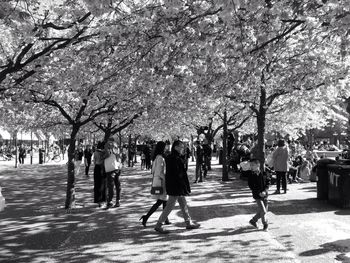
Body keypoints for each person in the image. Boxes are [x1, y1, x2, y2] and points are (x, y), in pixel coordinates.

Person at [154, 140, 200, 234]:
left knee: (183, 204)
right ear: (175, 147)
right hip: (175, 186)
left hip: (176, 185)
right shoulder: (173, 158)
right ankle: (158, 225)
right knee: (170, 206)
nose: (182, 149)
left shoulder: (175, 157)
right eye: (181, 147)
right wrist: (182, 185)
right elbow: (176, 174)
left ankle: (188, 222)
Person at [139, 141, 170, 227]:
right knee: (161, 201)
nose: (166, 148)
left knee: (164, 201)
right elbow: (160, 172)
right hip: (161, 181)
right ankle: (146, 217)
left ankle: (165, 219)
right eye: (165, 146)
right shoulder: (160, 158)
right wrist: (166, 179)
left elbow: (153, 171)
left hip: (158, 180)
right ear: (162, 148)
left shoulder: (157, 157)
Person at [248, 159, 270, 231]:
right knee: (263, 211)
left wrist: (265, 191)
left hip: (265, 194)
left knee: (263, 211)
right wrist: (259, 193)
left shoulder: (264, 173)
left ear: (258, 165)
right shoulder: (251, 175)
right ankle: (265, 224)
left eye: (253, 165)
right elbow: (251, 186)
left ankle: (253, 220)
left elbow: (267, 184)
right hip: (257, 196)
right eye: (250, 165)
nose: (251, 167)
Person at [104, 138, 122, 208]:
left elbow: (107, 155)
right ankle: (118, 200)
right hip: (116, 167)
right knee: (117, 184)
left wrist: (102, 157)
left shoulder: (108, 145)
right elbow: (119, 157)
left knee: (111, 185)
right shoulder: (116, 147)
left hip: (110, 168)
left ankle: (110, 201)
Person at [93, 142, 106, 207]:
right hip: (102, 168)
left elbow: (94, 161)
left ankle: (97, 200)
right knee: (102, 184)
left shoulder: (95, 152)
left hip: (96, 168)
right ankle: (102, 201)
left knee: (96, 184)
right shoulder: (104, 152)